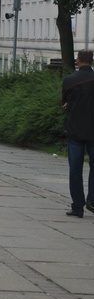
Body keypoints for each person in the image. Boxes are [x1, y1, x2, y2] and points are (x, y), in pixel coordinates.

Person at [62, 49, 94, 217]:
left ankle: (77, 207)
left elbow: (65, 102)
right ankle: (92, 200)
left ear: (78, 60)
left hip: (74, 130)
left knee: (75, 169)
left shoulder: (70, 80)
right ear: (92, 61)